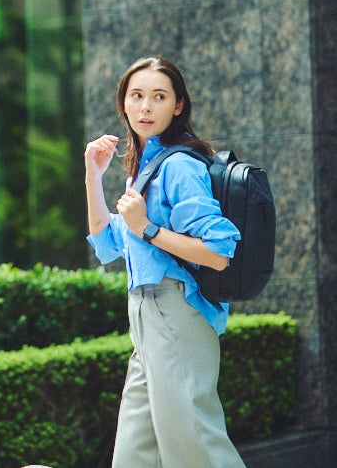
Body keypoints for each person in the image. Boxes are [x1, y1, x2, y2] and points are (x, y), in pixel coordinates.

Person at [84, 56, 246, 468]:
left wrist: (147, 229)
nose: (145, 107)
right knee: (134, 455)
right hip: (146, 318)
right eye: (136, 96)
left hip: (175, 312)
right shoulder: (142, 172)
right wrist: (93, 176)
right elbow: (107, 243)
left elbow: (220, 251)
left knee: (194, 449)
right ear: (123, 104)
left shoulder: (179, 167)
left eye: (159, 97)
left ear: (178, 106)